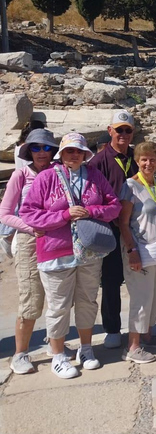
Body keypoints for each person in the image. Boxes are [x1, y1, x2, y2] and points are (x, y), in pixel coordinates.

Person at [20, 133, 121, 378]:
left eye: (78, 151)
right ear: (61, 154)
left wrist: (89, 211)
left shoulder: (94, 176)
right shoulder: (45, 178)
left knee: (87, 300)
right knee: (58, 305)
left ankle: (86, 349)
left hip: (89, 252)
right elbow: (28, 213)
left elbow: (114, 205)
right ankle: (58, 355)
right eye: (69, 151)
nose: (74, 155)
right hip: (56, 251)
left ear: (85, 154)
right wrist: (64, 215)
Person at [1, 129, 58, 375]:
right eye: (36, 148)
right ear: (29, 151)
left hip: (56, 240)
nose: (42, 152)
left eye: (46, 148)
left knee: (58, 297)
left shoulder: (58, 174)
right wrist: (32, 228)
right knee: (31, 297)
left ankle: (55, 343)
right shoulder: (20, 176)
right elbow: (5, 214)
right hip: (29, 241)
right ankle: (20, 353)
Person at [118, 142, 156, 364]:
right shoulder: (130, 186)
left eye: (152, 159)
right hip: (139, 248)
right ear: (137, 162)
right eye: (144, 160)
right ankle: (132, 346)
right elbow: (123, 222)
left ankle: (147, 335)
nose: (148, 163)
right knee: (141, 298)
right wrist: (132, 250)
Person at [88, 110, 139, 350]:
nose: (124, 134)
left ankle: (142, 324)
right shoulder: (98, 162)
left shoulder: (136, 157)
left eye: (128, 130)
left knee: (139, 276)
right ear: (110, 131)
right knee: (110, 280)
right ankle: (112, 328)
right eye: (119, 130)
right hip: (110, 229)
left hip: (136, 228)